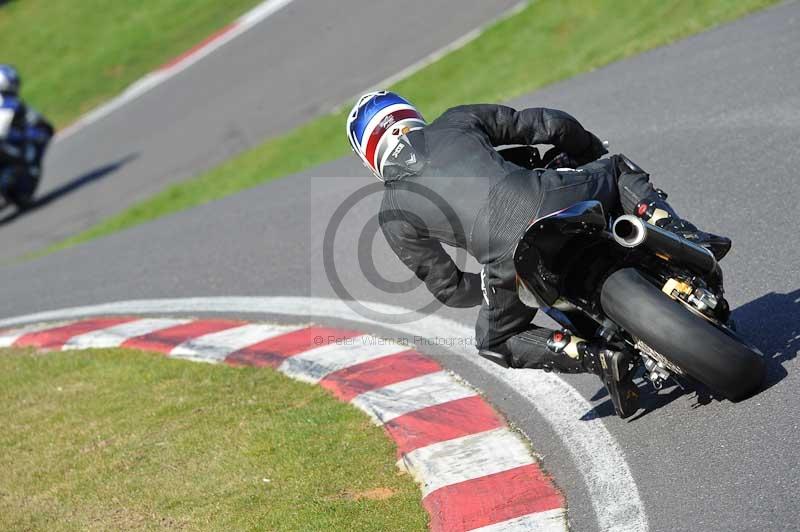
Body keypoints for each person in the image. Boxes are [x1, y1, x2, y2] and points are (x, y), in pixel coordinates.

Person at [346, 91, 730, 418]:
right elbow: (550, 124)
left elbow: (449, 289)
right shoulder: (456, 120)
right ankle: (678, 232)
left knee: (494, 341)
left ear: (368, 156)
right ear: (409, 115)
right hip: (555, 197)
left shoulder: (392, 213)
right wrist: (589, 152)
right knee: (615, 169)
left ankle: (594, 356)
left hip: (507, 261)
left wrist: (490, 283)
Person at [0, 65, 54, 207]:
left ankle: (17, 189)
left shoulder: (15, 105)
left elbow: (44, 128)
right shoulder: (11, 103)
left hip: (10, 149)